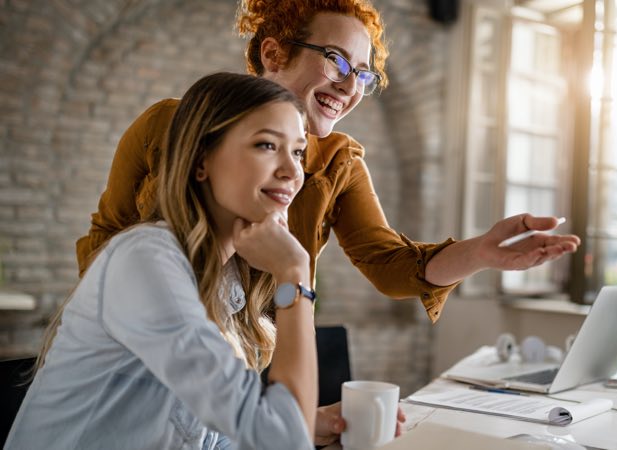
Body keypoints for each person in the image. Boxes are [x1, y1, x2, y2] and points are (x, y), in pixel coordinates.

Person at [74, 0, 580, 445]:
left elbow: (389, 264)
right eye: (336, 60)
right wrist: (137, 323)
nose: (349, 85)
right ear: (273, 54)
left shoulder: (338, 162)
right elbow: (107, 238)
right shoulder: (170, 132)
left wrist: (482, 253)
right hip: (143, 364)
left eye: (363, 74)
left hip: (233, 380)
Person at [7, 73, 319, 449]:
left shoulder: (226, 282)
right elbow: (284, 440)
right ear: (201, 160)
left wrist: (301, 421)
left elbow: (206, 437)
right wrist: (294, 274)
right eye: (267, 145)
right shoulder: (144, 261)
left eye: (298, 151)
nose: (292, 171)